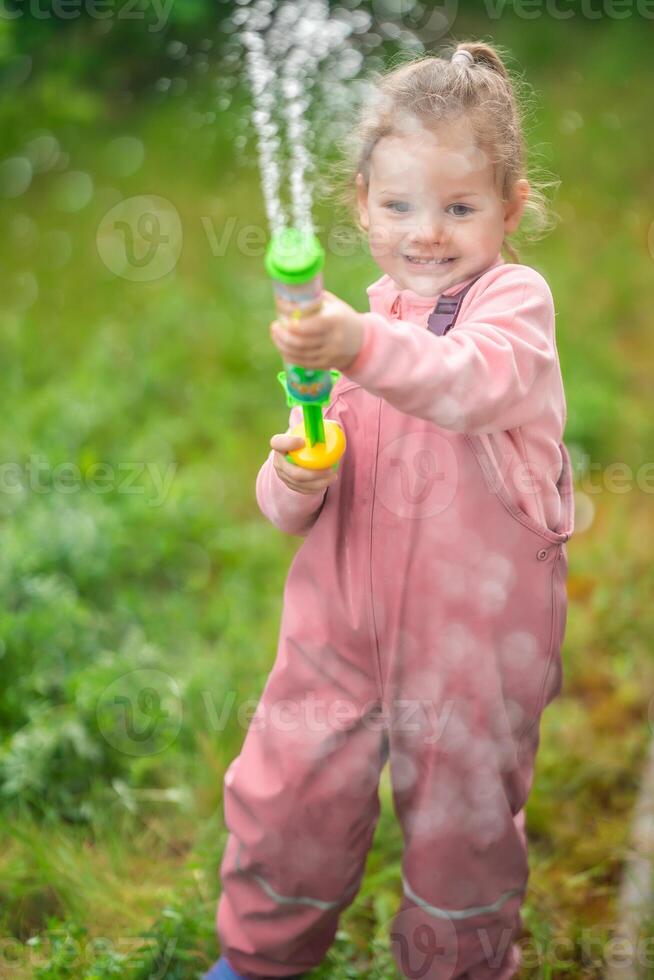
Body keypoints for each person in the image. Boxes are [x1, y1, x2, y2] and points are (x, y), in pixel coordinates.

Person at [206, 40, 575, 980]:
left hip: (472, 647)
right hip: (335, 629)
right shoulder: (348, 328)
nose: (428, 233)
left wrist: (359, 344)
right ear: (361, 203)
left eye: (460, 208)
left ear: (511, 206)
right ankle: (257, 959)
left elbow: (467, 384)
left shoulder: (512, 311)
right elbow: (293, 491)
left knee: (462, 834)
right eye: (401, 206)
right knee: (286, 798)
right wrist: (294, 474)